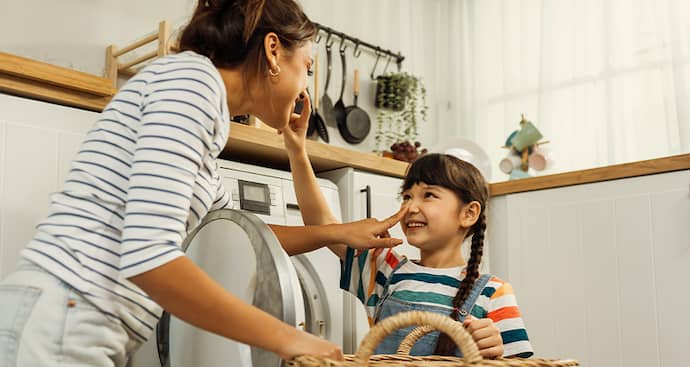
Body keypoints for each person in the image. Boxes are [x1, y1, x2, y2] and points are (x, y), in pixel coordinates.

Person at [0, 1, 408, 366]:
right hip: (65, 314)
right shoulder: (192, 84)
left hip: (83, 320)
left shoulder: (204, 124)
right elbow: (150, 257)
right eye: (308, 68)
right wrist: (289, 338)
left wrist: (335, 233)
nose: (305, 89)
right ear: (272, 52)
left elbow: (239, 234)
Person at [282, 140, 534, 358]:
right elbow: (322, 225)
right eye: (406, 196)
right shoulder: (384, 269)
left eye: (429, 195)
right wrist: (296, 150)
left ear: (468, 213)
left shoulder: (493, 293)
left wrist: (496, 352)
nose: (411, 207)